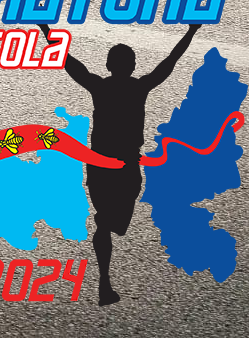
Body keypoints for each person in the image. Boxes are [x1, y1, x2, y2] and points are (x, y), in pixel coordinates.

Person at [40, 22, 200, 305]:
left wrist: (45, 28)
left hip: (103, 162)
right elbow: (171, 60)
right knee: (111, 221)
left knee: (112, 223)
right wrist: (191, 31)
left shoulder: (100, 86)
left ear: (109, 64)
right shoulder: (139, 87)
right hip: (123, 163)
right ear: (132, 65)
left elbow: (67, 59)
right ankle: (104, 282)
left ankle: (105, 274)